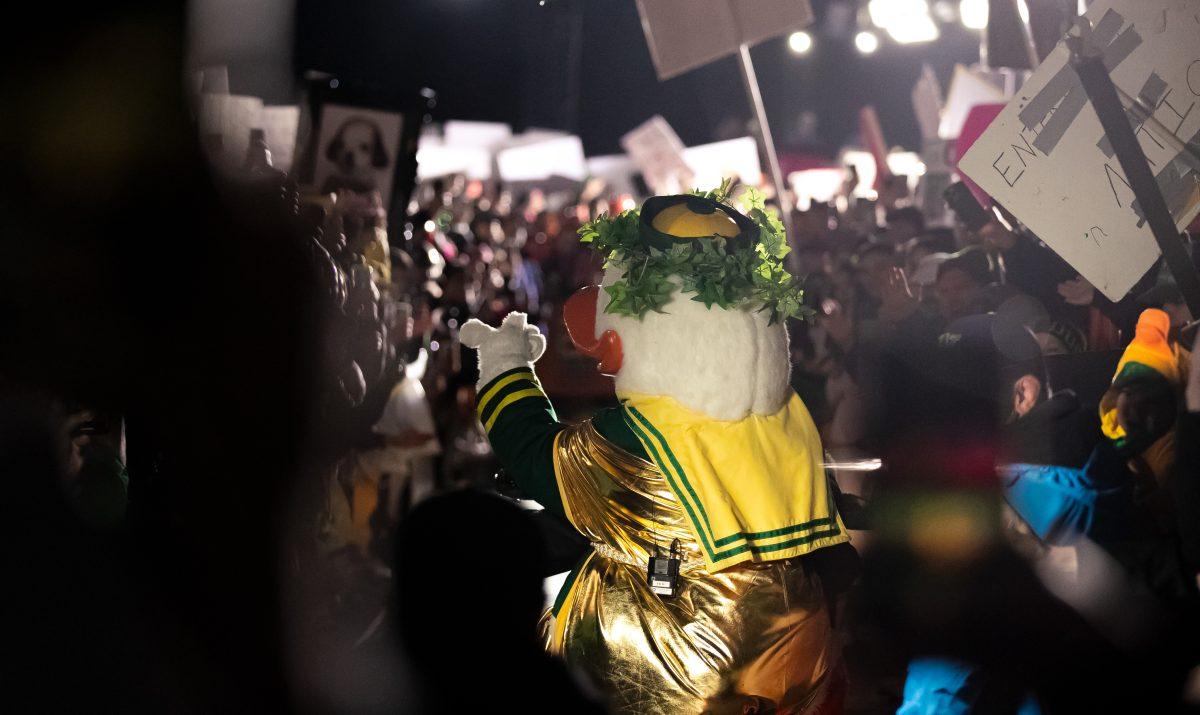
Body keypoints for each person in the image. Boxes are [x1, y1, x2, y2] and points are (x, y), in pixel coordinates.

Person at [460, 188, 852, 713]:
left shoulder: (641, 435)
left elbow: (537, 456)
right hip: (798, 657)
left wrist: (504, 366)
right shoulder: (785, 417)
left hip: (685, 679)